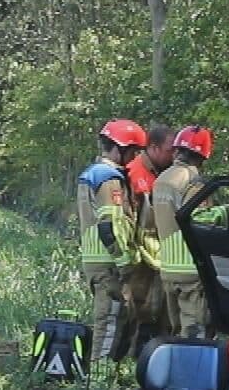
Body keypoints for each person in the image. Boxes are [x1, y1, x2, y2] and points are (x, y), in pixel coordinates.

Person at [77, 118, 147, 362]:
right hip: (108, 262)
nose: (135, 157)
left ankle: (105, 374)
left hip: (98, 260)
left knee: (114, 321)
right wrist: (124, 262)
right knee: (107, 324)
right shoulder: (108, 179)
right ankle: (98, 380)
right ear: (119, 149)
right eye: (133, 152)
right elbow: (109, 226)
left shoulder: (93, 174)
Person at [117, 123, 174, 358]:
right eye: (170, 150)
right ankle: (125, 358)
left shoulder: (167, 175)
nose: (174, 155)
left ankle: (152, 357)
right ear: (153, 148)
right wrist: (129, 255)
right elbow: (125, 220)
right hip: (139, 258)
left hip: (160, 257)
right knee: (135, 312)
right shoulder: (133, 173)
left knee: (160, 313)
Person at [151, 125, 214, 339]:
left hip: (168, 269)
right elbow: (200, 220)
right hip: (191, 271)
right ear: (203, 156)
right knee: (193, 334)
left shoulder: (161, 180)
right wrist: (224, 212)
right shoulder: (193, 181)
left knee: (176, 332)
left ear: (177, 150)